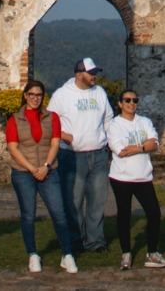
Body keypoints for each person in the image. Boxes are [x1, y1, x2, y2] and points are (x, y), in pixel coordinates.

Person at [5, 79, 77, 274]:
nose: (35, 98)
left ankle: (67, 254)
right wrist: (31, 168)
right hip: (23, 172)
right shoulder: (15, 119)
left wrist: (46, 166)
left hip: (48, 171)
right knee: (28, 215)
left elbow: (55, 143)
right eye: (32, 94)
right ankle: (33, 254)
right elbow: (13, 148)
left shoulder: (51, 117)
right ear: (25, 96)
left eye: (39, 95)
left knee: (59, 212)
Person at [49, 57, 115, 254]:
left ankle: (95, 241)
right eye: (91, 73)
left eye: (95, 73)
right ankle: (75, 240)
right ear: (79, 75)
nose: (94, 76)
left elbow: (108, 118)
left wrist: (109, 142)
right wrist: (65, 136)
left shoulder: (99, 92)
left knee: (98, 200)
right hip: (72, 155)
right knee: (74, 201)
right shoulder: (62, 95)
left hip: (98, 153)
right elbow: (49, 122)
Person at [108, 89, 165, 270]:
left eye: (134, 100)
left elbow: (155, 143)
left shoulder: (145, 122)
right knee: (124, 215)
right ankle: (126, 253)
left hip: (143, 176)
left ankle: (152, 252)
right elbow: (120, 150)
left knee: (154, 213)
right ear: (120, 103)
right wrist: (144, 145)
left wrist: (137, 148)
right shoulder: (115, 125)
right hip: (122, 177)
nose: (131, 104)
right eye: (127, 100)